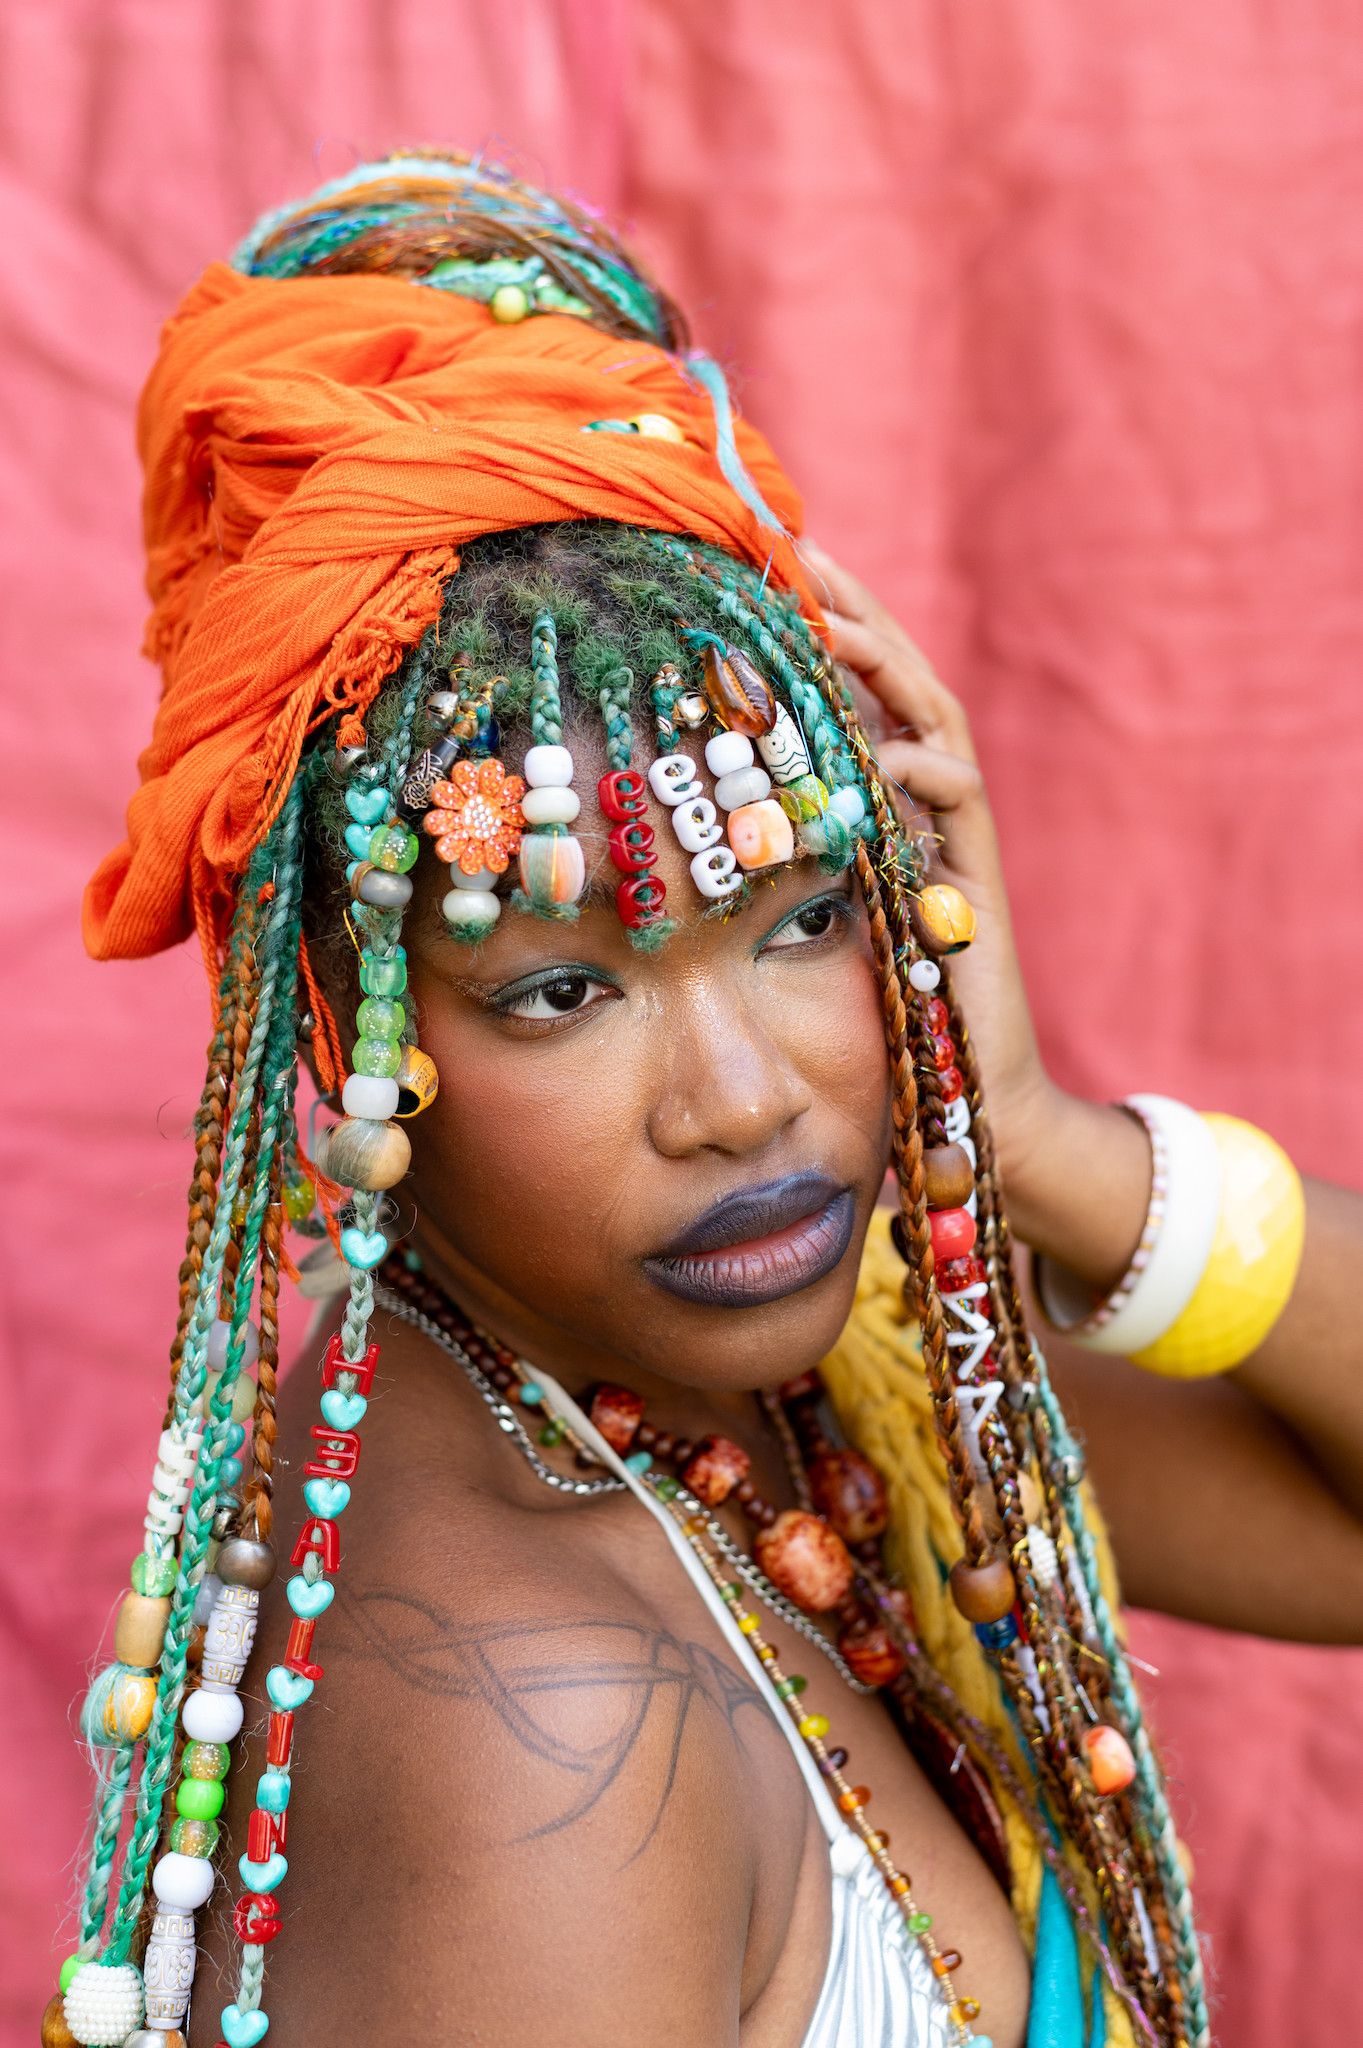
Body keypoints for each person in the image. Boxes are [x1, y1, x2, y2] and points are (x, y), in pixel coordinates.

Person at [39, 153, 1359, 2048]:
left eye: (804, 916)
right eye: (562, 990)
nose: (742, 1104)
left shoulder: (809, 1394)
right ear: (345, 1016)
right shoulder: (538, 1718)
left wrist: (1049, 1145)